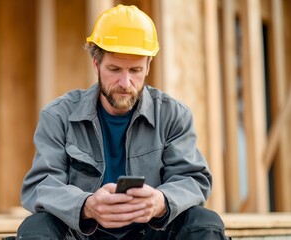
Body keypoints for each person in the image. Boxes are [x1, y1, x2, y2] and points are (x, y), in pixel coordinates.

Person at [16, 4, 228, 240]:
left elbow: (193, 178)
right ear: (96, 65)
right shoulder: (58, 116)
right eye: (115, 69)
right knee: (36, 227)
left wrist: (162, 201)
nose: (125, 83)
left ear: (148, 66)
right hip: (83, 233)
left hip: (151, 231)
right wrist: (86, 205)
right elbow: (40, 186)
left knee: (204, 222)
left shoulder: (173, 115)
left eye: (135, 70)